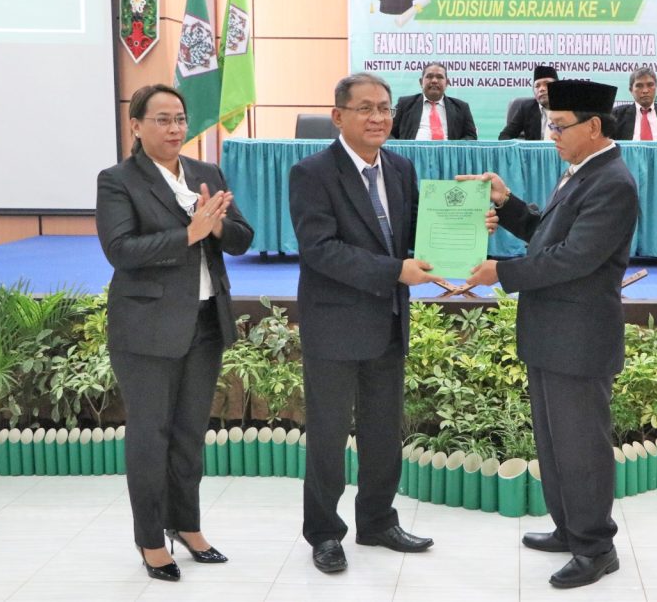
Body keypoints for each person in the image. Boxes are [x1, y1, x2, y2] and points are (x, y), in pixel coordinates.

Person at [288, 72, 496, 575]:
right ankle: (324, 533)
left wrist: (472, 224)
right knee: (328, 437)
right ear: (338, 116)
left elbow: (418, 233)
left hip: (387, 321)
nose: (378, 117)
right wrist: (394, 272)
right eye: (365, 108)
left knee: (383, 433)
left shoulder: (401, 168)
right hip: (335, 327)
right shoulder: (312, 173)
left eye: (384, 108)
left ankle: (378, 521)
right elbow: (321, 251)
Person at [463, 80, 640, 589]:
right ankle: (569, 528)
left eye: (560, 127)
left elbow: (574, 258)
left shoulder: (613, 182)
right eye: (550, 125)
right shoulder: (582, 172)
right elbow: (548, 233)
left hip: (579, 339)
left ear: (594, 126)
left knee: (581, 448)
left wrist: (502, 272)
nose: (552, 135)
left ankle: (596, 547)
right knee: (556, 443)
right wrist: (507, 202)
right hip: (552, 333)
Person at [96, 84, 254, 581]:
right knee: (151, 435)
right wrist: (189, 233)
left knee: (189, 434)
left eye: (180, 119)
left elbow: (243, 238)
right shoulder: (118, 180)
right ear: (136, 125)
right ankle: (150, 539)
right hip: (145, 328)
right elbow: (121, 250)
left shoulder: (206, 174)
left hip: (205, 321)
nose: (174, 129)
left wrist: (218, 226)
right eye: (162, 120)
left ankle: (187, 525)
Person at [390, 62, 477, 140]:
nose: (434, 81)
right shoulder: (404, 104)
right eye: (429, 76)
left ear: (447, 83)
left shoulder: (462, 108)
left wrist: (454, 148)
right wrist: (399, 149)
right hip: (411, 152)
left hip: (447, 152)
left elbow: (471, 136)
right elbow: (388, 132)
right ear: (421, 82)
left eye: (439, 77)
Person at [498, 64, 558, 140]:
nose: (541, 89)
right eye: (537, 86)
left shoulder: (569, 108)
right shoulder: (527, 108)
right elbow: (504, 136)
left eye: (547, 84)